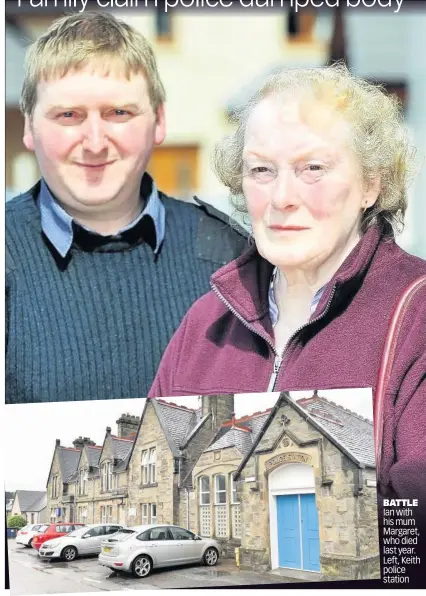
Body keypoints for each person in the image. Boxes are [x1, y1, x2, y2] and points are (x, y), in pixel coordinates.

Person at [149, 64, 426, 498]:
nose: (281, 198)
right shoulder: (204, 323)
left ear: (371, 184)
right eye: (261, 171)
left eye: (312, 168)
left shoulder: (417, 316)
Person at [6, 12, 247, 404]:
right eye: (69, 115)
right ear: (29, 127)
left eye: (119, 113)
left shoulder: (229, 256)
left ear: (159, 121)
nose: (95, 141)